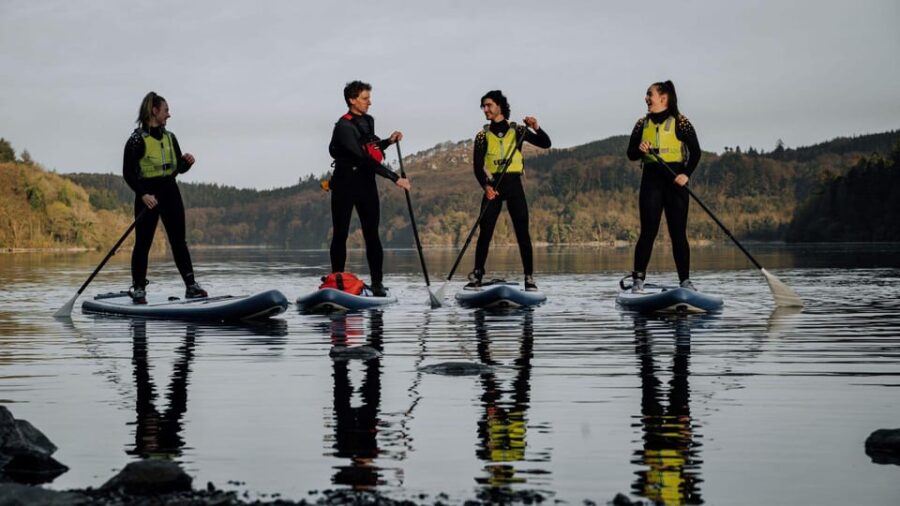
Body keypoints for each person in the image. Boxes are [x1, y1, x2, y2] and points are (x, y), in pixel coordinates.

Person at [328, 80, 410, 297]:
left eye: (369, 98)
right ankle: (337, 281)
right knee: (341, 234)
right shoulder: (343, 127)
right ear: (352, 100)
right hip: (344, 185)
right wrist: (395, 178)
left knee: (372, 234)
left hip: (366, 185)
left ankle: (377, 284)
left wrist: (389, 141)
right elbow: (363, 158)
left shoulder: (368, 121)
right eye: (365, 98)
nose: (369, 102)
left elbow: (370, 148)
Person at [123, 92, 207, 304]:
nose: (169, 115)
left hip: (170, 192)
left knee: (179, 241)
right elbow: (128, 173)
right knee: (143, 243)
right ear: (154, 111)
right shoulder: (136, 140)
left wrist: (186, 163)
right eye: (166, 110)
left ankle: (191, 286)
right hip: (148, 196)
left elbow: (178, 168)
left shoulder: (171, 138)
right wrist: (143, 194)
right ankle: (139, 288)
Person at [467, 90, 551, 291]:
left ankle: (529, 278)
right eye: (483, 106)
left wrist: (536, 127)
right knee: (485, 232)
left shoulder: (518, 130)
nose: (485, 109)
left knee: (523, 233)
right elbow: (477, 167)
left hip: (514, 186)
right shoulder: (482, 136)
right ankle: (477, 275)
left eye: (489, 105)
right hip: (493, 187)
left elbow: (545, 143)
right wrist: (486, 187)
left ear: (499, 106)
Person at [626, 80, 701, 292]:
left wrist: (686, 174)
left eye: (649, 94)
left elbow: (696, 152)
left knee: (678, 233)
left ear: (663, 98)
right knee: (648, 232)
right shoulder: (641, 124)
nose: (646, 98)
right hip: (651, 182)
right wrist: (640, 150)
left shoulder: (681, 122)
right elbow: (631, 153)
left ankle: (685, 281)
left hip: (675, 182)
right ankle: (638, 281)